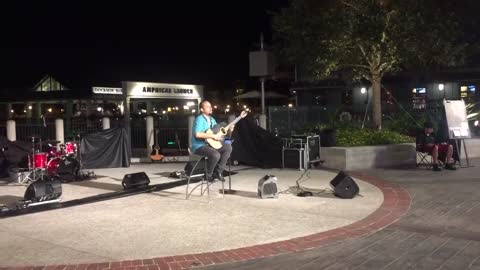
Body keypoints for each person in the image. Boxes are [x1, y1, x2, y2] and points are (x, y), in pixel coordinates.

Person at [191, 100, 233, 182]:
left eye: (210, 106)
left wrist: (230, 131)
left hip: (211, 145)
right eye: (207, 106)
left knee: (228, 146)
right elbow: (197, 134)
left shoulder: (212, 119)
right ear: (202, 110)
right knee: (215, 154)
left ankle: (218, 171)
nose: (210, 108)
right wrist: (213, 136)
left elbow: (218, 133)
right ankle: (208, 174)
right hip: (199, 145)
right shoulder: (199, 119)